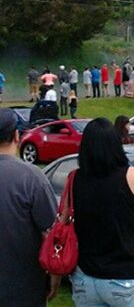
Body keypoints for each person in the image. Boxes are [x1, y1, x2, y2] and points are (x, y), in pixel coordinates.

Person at [61, 118, 134, 306]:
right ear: (116, 144)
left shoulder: (74, 179)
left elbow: (64, 223)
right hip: (129, 278)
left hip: (86, 277)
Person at [0, 108, 58, 307]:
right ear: (17, 136)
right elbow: (50, 232)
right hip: (24, 287)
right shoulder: (31, 177)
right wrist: (54, 276)